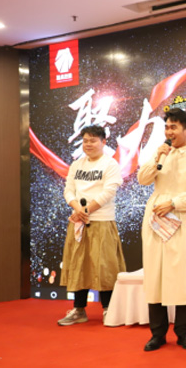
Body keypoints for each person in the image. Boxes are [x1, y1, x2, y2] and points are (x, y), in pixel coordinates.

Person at [137, 108, 186, 352]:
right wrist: (157, 156)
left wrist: (174, 203)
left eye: (174, 127)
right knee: (155, 274)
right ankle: (157, 334)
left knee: (183, 275)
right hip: (156, 217)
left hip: (181, 216)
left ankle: (183, 333)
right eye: (167, 127)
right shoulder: (160, 152)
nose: (169, 132)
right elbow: (143, 179)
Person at [58, 125, 126, 326]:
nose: (88, 144)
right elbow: (68, 190)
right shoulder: (77, 164)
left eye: (93, 140)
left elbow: (108, 192)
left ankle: (108, 310)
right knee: (79, 265)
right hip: (79, 222)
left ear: (103, 142)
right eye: (85, 140)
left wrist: (86, 211)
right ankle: (79, 310)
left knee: (105, 266)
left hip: (101, 221)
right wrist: (77, 208)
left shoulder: (110, 164)